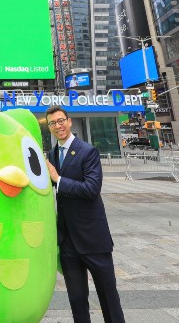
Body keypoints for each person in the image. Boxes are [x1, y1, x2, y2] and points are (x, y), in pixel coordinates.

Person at [44, 106, 125, 323]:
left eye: (61, 121)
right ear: (49, 127)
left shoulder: (87, 151)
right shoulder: (51, 155)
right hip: (68, 241)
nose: (58, 126)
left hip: (93, 239)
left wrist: (58, 180)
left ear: (69, 122)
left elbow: (91, 189)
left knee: (108, 298)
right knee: (77, 300)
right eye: (53, 123)